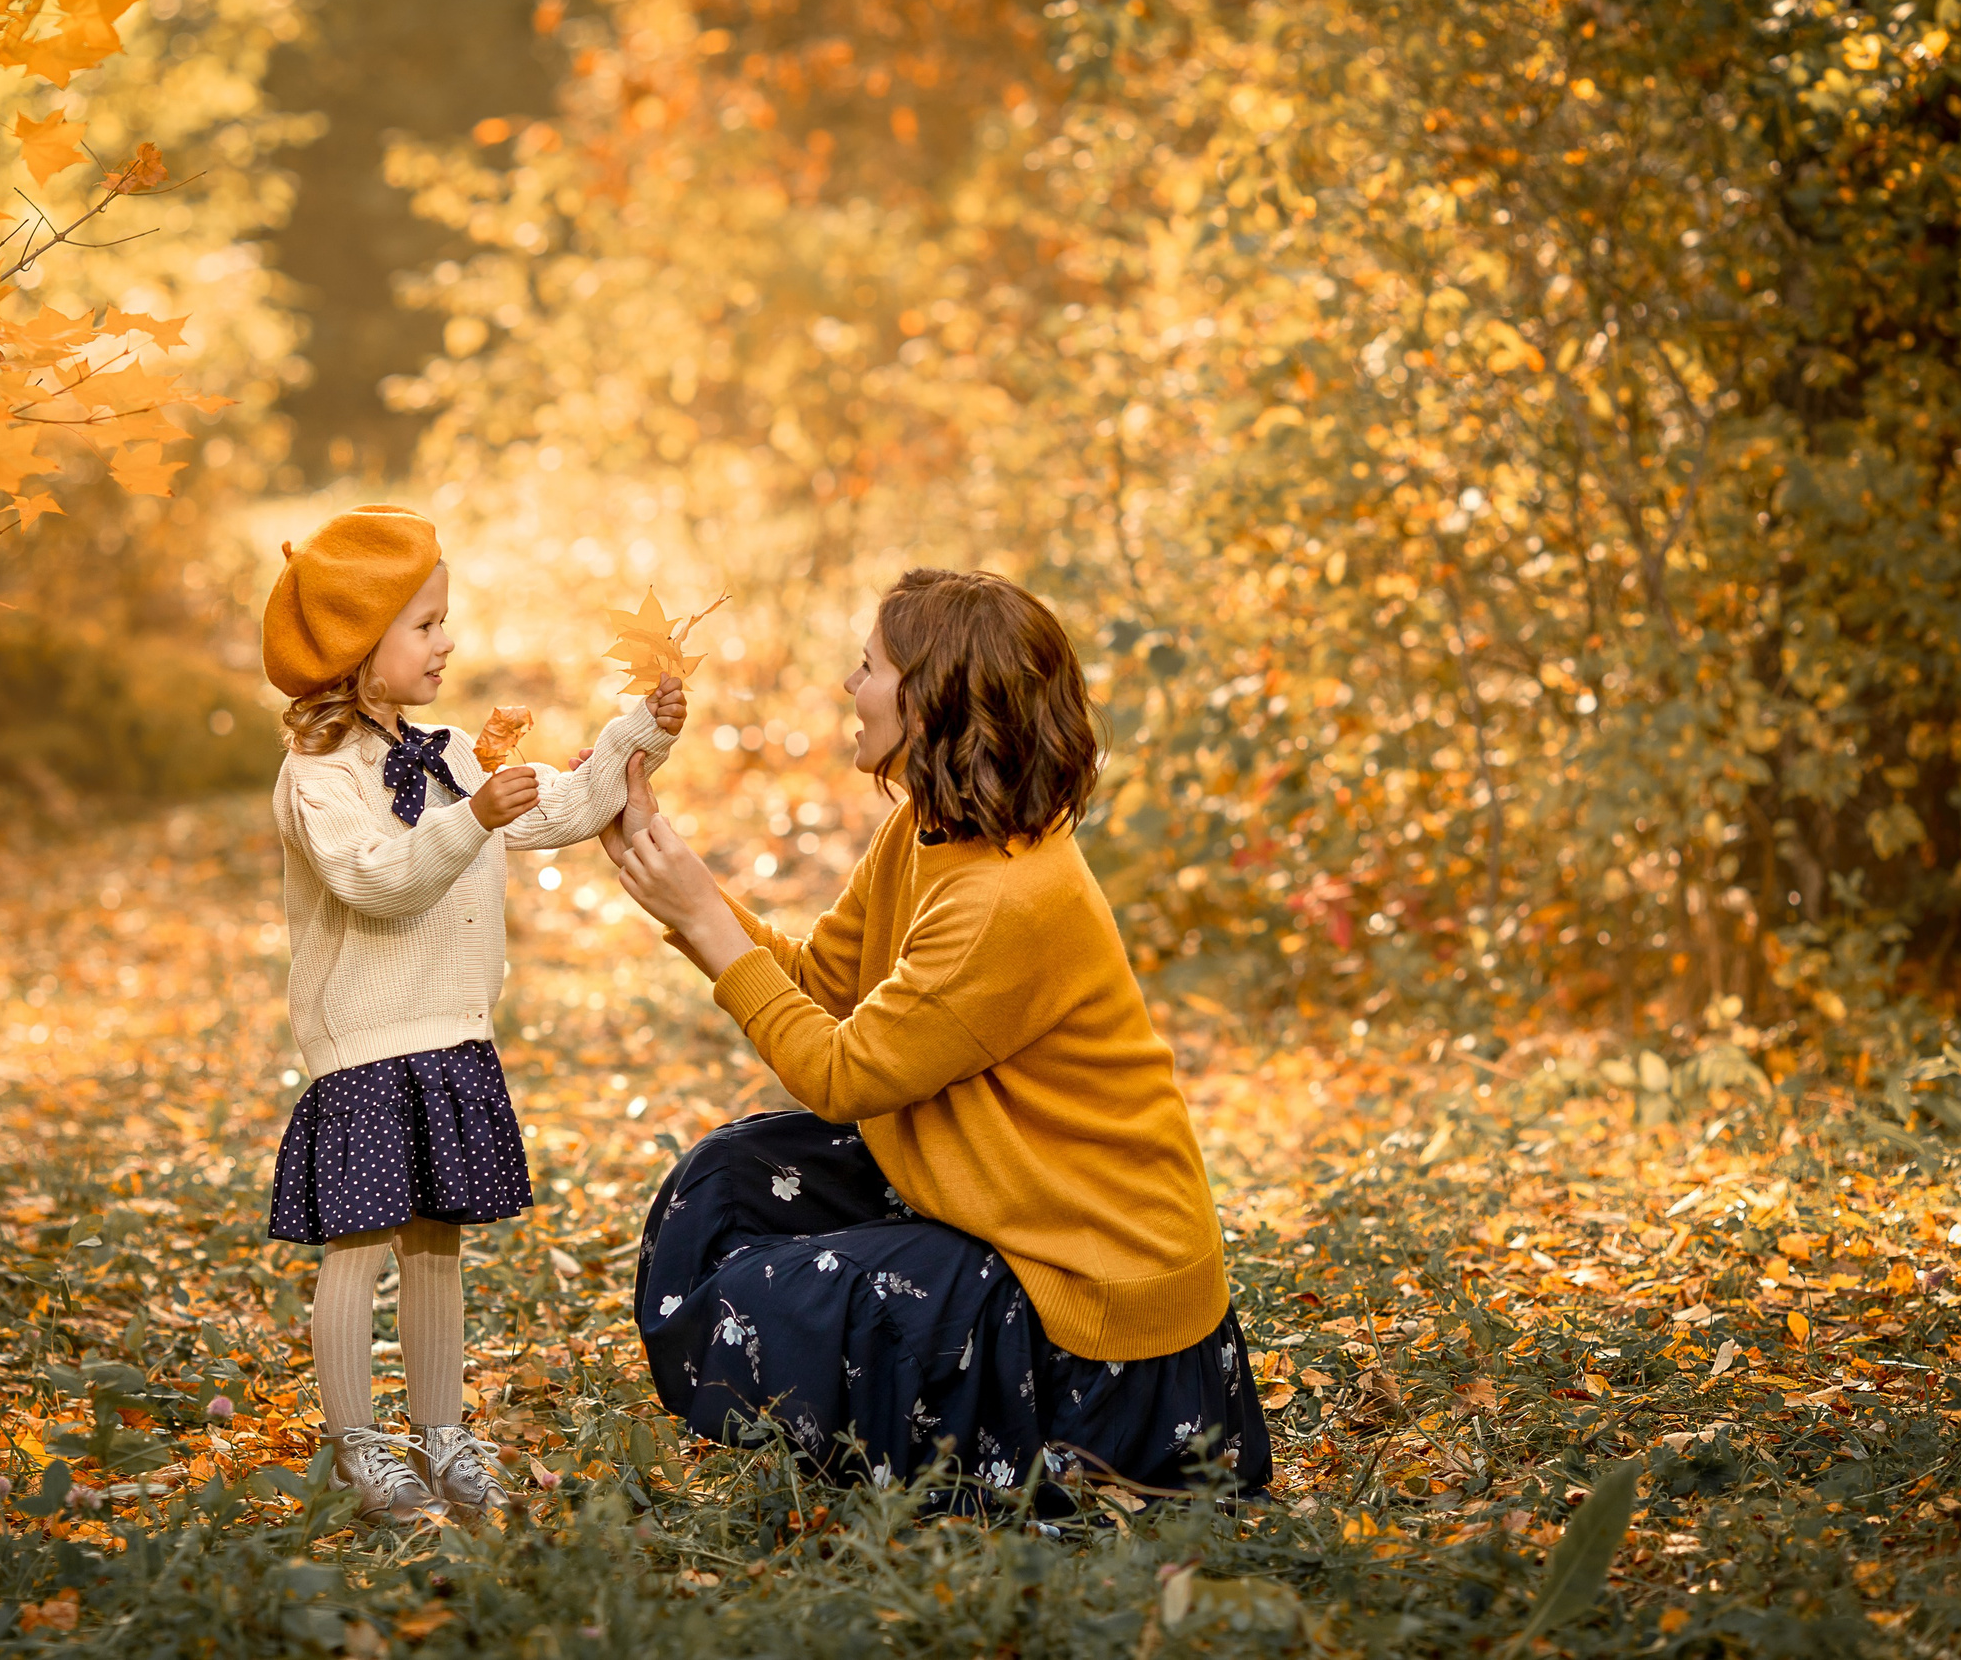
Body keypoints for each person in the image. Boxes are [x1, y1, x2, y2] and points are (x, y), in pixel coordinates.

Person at [603, 567, 1268, 1505]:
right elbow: (825, 984)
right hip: (1000, 1197)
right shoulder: (931, 823)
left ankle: (966, 1463)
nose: (849, 685)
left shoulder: (1010, 898)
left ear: (930, 700)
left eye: (868, 666)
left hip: (1091, 1290)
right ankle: (893, 1427)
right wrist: (683, 890)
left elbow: (839, 1075)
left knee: (789, 1297)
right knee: (725, 1181)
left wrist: (708, 925)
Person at [260, 502, 687, 1523]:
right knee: (360, 1247)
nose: (447, 640)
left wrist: (639, 733)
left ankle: (443, 1432)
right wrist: (469, 818)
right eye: (424, 623)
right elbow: (374, 880)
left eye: (445, 617)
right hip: (366, 1041)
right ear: (359, 649)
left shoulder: (453, 747)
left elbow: (567, 807)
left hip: (452, 1035)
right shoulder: (318, 774)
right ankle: (363, 1444)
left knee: (437, 1241)